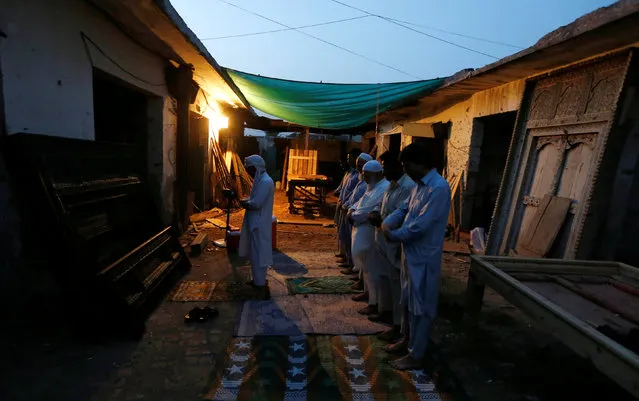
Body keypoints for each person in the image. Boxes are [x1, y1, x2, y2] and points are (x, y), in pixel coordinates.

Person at [381, 142, 451, 370]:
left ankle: (417, 353)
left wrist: (394, 235)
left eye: (406, 165)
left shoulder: (438, 188)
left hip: (424, 258)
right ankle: (407, 340)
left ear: (419, 163)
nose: (404, 169)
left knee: (422, 307)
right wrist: (387, 222)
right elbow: (404, 209)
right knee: (408, 301)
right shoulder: (418, 186)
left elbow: (421, 225)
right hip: (410, 254)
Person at [369, 151, 416, 340]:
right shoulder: (392, 185)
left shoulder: (408, 187)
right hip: (382, 236)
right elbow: (381, 204)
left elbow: (402, 215)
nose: (384, 171)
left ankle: (398, 327)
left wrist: (384, 221)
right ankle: (385, 312)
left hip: (395, 241)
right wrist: (374, 214)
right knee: (384, 279)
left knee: (398, 286)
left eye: (386, 167)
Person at [347, 160, 389, 315]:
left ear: (378, 174)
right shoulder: (372, 187)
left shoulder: (383, 188)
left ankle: (374, 303)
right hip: (361, 231)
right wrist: (351, 210)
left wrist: (353, 215)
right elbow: (359, 203)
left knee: (373, 270)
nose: (365, 178)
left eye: (368, 175)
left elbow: (368, 211)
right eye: (364, 175)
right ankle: (368, 294)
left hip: (371, 234)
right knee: (366, 268)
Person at [239, 155, 275, 299]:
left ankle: (260, 283)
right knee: (254, 254)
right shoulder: (260, 180)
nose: (250, 172)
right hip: (255, 222)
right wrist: (247, 200)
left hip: (259, 223)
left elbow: (257, 203)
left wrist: (244, 203)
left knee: (260, 254)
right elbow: (254, 199)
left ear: (257, 167)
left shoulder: (266, 182)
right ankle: (257, 281)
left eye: (251, 169)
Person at [338, 152, 373, 274]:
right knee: (347, 237)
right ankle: (350, 262)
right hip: (350, 211)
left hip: (359, 218)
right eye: (358, 165)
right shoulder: (360, 178)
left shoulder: (369, 183)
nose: (359, 168)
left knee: (358, 246)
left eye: (361, 165)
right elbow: (351, 194)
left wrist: (352, 210)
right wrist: (346, 205)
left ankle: (354, 267)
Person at [335, 149, 362, 264]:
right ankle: (345, 255)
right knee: (343, 232)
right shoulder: (349, 173)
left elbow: (354, 196)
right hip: (343, 206)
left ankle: (350, 261)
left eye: (350, 158)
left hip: (350, 209)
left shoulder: (358, 177)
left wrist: (346, 205)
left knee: (349, 235)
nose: (348, 161)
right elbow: (343, 188)